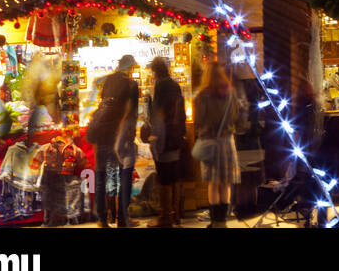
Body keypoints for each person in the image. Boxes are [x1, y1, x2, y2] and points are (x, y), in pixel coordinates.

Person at [87, 54, 139, 228]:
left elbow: (102, 102)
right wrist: (129, 137)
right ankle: (123, 219)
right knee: (124, 177)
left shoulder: (109, 80)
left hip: (102, 134)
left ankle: (103, 219)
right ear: (130, 67)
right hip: (119, 136)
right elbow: (131, 114)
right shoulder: (132, 85)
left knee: (101, 176)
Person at [193, 61, 243, 227]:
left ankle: (215, 222)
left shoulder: (202, 96)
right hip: (228, 142)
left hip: (211, 142)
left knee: (213, 184)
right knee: (225, 183)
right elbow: (237, 116)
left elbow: (199, 121)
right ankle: (223, 222)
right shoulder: (231, 93)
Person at [144, 58, 186, 227]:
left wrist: (154, 134)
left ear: (155, 71)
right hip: (176, 135)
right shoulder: (175, 85)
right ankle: (176, 214)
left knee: (164, 178)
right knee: (175, 175)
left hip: (165, 137)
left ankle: (165, 217)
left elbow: (158, 113)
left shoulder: (160, 85)